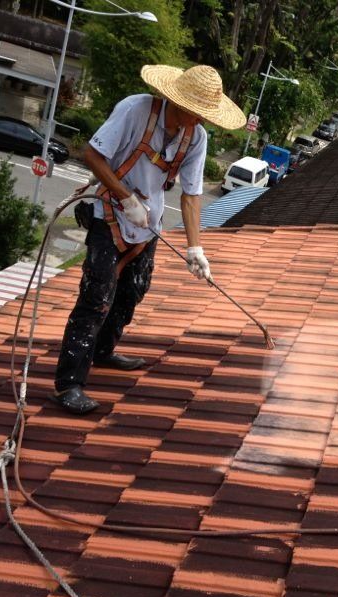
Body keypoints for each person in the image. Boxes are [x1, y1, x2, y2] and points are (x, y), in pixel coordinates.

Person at [51, 64, 246, 414]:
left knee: (132, 290)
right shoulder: (135, 111)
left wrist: (195, 247)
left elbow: (191, 196)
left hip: (147, 223)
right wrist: (125, 197)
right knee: (97, 296)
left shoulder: (195, 138)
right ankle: (69, 384)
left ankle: (104, 351)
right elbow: (92, 155)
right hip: (108, 212)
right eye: (198, 113)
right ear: (179, 103)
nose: (202, 121)